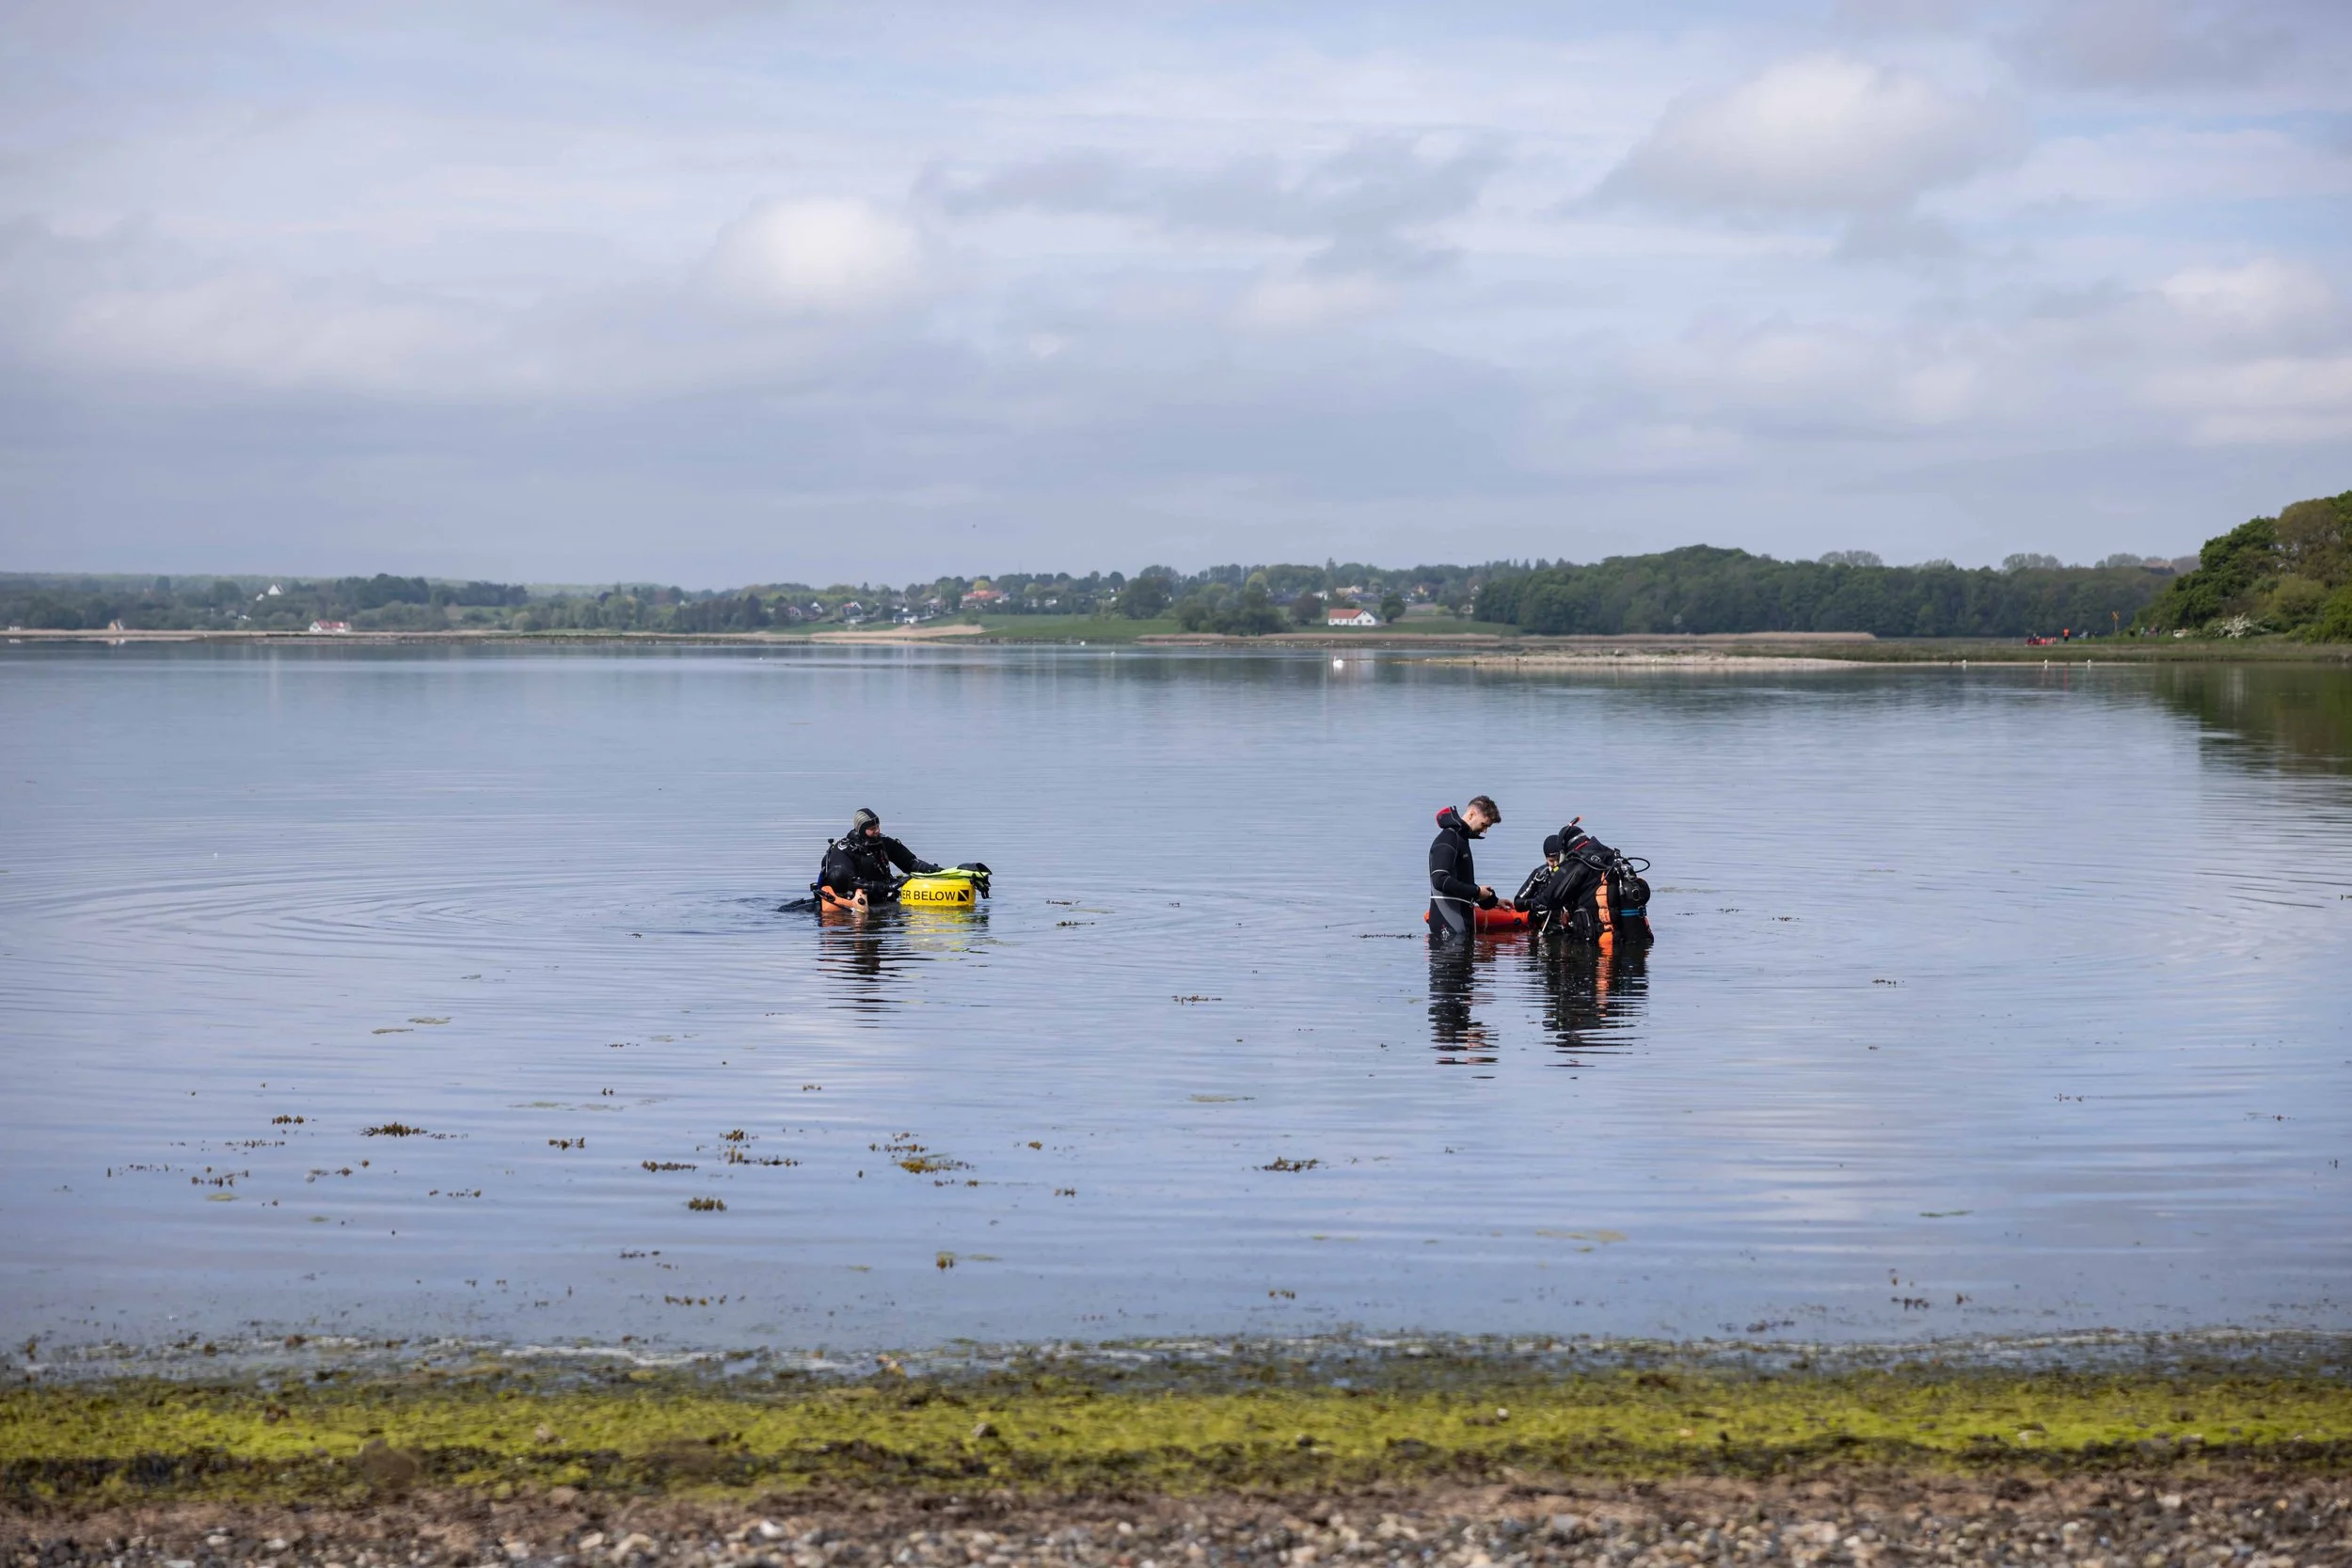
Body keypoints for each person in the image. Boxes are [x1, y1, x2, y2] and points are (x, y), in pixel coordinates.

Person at [814, 808, 940, 912]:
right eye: (872, 828)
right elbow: (841, 878)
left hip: (882, 900)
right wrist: (887, 887)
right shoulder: (843, 849)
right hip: (851, 904)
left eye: (878, 826)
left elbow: (910, 863)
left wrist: (937, 872)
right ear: (862, 830)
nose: (877, 831)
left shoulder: (883, 842)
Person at [1428, 796, 1506, 941]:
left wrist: (1492, 900)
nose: (1485, 831)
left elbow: (1461, 885)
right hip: (1448, 929)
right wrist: (1477, 891)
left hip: (1459, 928)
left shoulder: (1461, 840)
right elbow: (1440, 880)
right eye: (1484, 825)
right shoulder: (1448, 839)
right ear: (1471, 814)